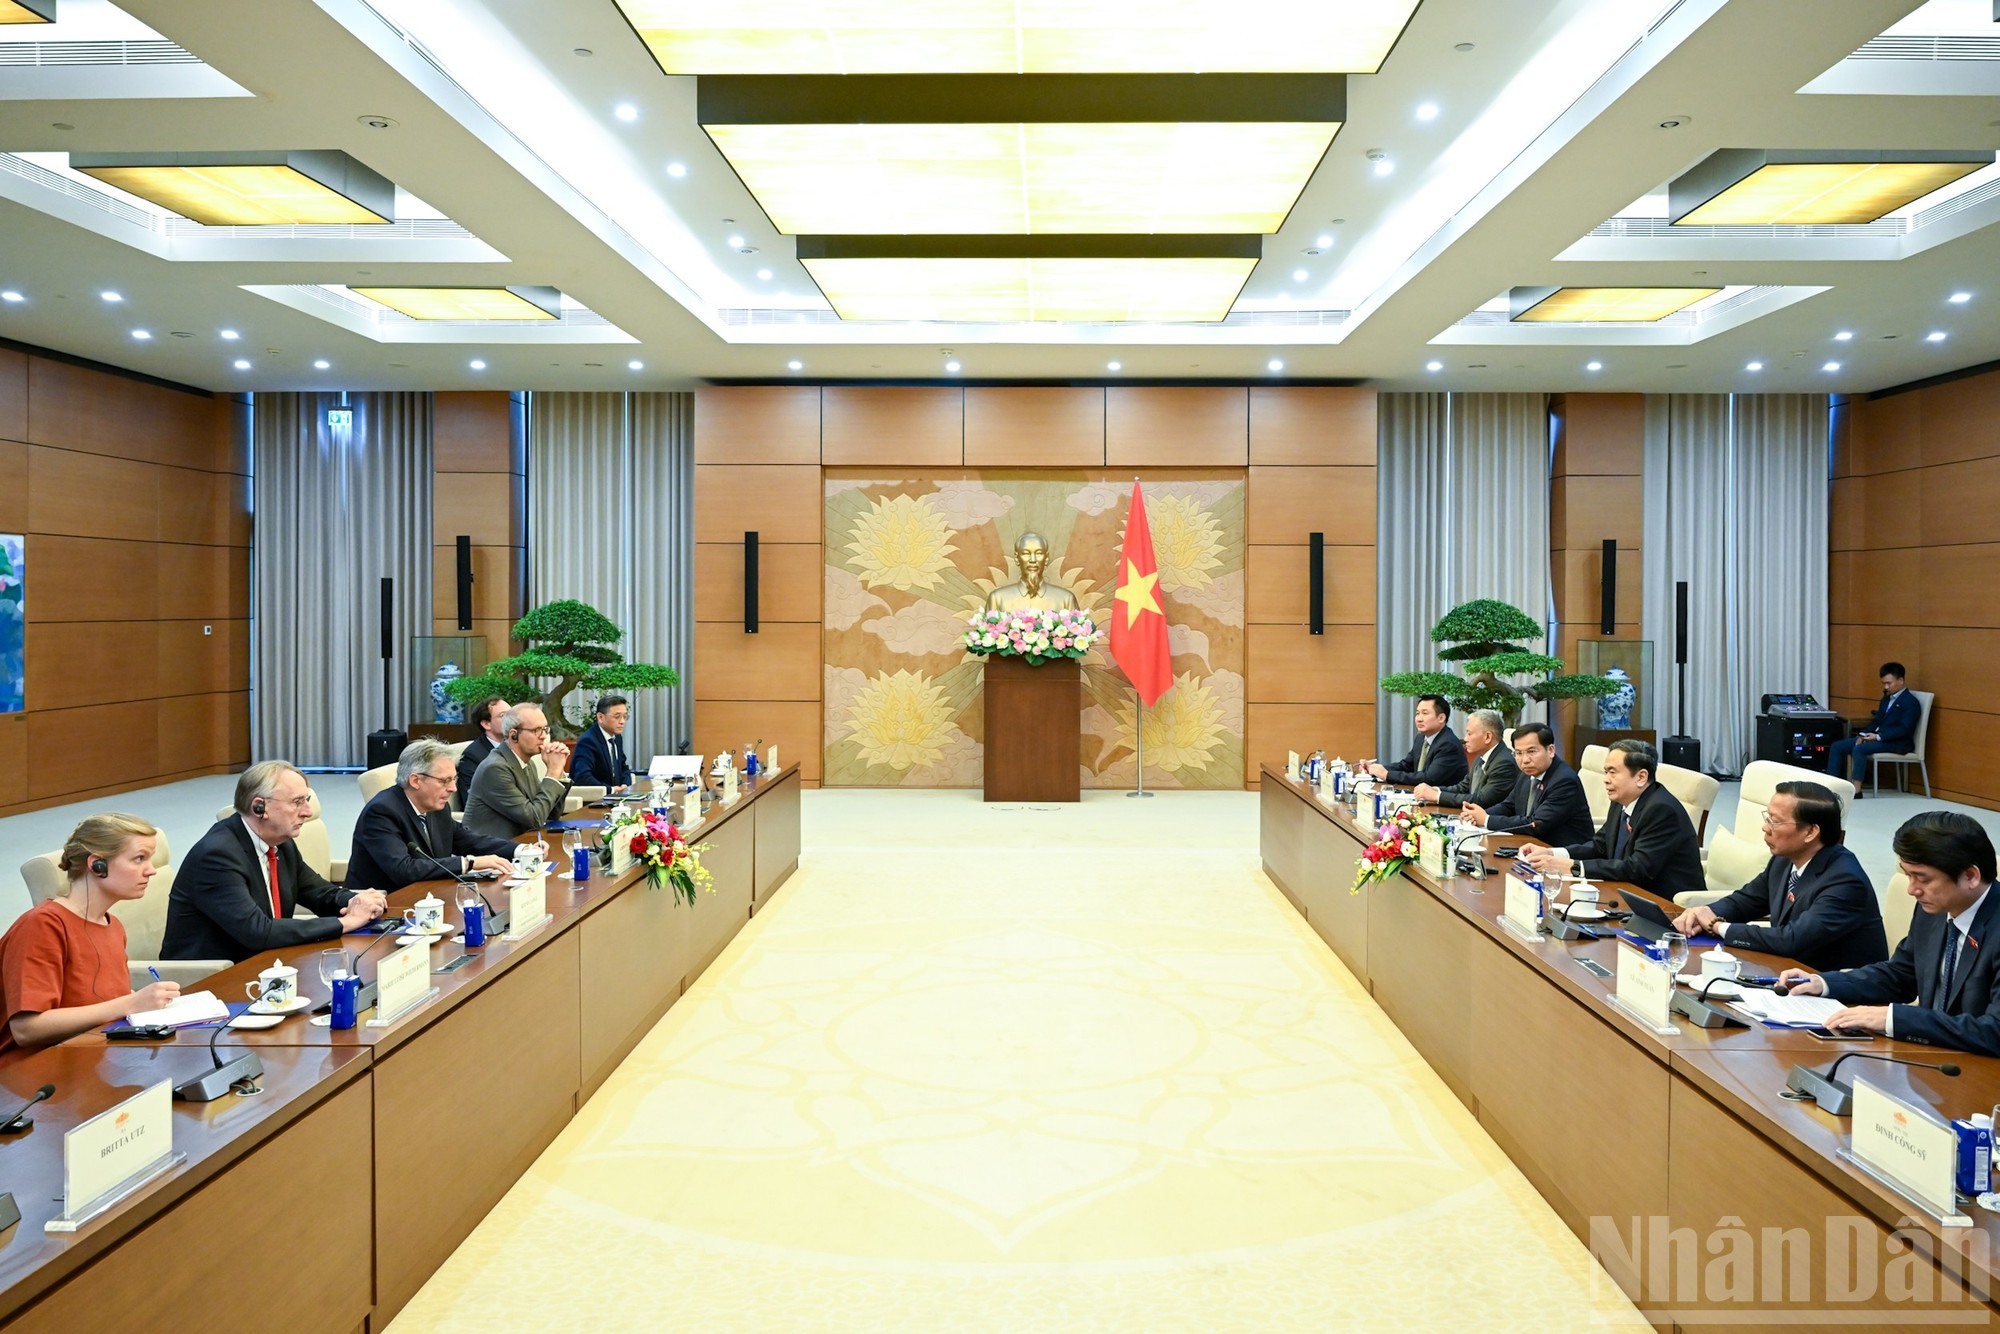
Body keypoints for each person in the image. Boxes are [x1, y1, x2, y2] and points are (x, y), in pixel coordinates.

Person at [1780, 812, 2000, 1054]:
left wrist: (1893, 1019)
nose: (1912, 890)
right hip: (1934, 1059)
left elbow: (1994, 1031)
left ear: (1970, 876)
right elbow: (1901, 975)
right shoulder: (1935, 909)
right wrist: (1824, 983)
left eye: (1922, 879)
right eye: (1908, 875)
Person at [0, 814, 185, 1066]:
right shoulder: (43, 925)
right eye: (139, 858)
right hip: (32, 1075)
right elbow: (26, 1029)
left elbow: (99, 1001)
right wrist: (130, 1003)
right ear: (97, 865)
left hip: (93, 1058)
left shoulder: (113, 926)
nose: (151, 870)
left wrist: (143, 1003)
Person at [163, 762, 387, 963]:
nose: (307, 812)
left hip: (267, 963)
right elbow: (258, 931)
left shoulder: (280, 843)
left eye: (306, 800)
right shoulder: (217, 856)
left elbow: (319, 892)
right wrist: (345, 923)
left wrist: (358, 901)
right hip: (212, 979)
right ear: (259, 807)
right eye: (297, 802)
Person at [1672, 782, 1887, 971]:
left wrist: (1716, 926)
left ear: (1810, 832)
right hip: (1790, 972)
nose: (1765, 828)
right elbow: (1747, 900)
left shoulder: (1845, 880)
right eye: (1768, 817)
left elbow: (1792, 940)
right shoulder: (1784, 859)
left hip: (1837, 992)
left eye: (1775, 821)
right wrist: (1706, 911)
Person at [1524, 739, 1703, 895]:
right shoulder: (1621, 800)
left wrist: (1573, 867)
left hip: (1666, 906)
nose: (1606, 779)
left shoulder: (1662, 810)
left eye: (1613, 772)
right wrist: (1553, 853)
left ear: (1641, 777)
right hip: (1625, 893)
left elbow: (1637, 869)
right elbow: (1600, 846)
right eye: (1605, 772)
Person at [346, 739, 520, 893]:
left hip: (428, 894)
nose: (453, 788)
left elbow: (468, 840)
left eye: (454, 779)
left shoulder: (436, 807)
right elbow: (403, 869)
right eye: (444, 781)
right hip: (385, 905)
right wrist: (469, 863)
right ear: (415, 781)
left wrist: (520, 850)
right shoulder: (382, 811)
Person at [1461, 723, 1595, 847]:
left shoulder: (1564, 781)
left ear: (1551, 750)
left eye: (1532, 752)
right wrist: (1477, 815)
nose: (1525, 760)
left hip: (1562, 855)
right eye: (1518, 753)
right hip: (1530, 847)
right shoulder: (1527, 772)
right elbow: (1509, 805)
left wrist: (1487, 820)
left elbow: (1535, 824)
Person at [463, 703, 574, 838]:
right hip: (493, 851)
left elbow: (550, 814)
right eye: (536, 730)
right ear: (514, 735)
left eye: (545, 729)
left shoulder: (527, 762)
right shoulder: (495, 768)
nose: (544, 736)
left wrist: (559, 773)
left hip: (524, 843)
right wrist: (552, 772)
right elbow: (535, 819)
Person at [1828, 662, 1919, 794]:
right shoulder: (1887, 698)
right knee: (1838, 746)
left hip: (1896, 742)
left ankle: (1856, 790)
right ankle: (1831, 786)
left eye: (1889, 683)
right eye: (1884, 684)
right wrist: (1863, 734)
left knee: (1860, 749)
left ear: (1901, 680)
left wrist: (1877, 737)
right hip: (1878, 738)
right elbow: (1877, 720)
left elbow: (1905, 729)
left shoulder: (1910, 702)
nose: (1886, 687)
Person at [1415, 709, 1517, 811]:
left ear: (1488, 737)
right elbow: (1463, 787)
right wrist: (1434, 790)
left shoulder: (1504, 763)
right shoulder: (1482, 755)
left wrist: (1436, 796)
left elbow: (1480, 800)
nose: (1465, 739)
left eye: (1469, 733)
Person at [1364, 695, 1468, 787]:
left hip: (1445, 804)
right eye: (1417, 713)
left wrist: (1387, 775)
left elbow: (1429, 779)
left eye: (1425, 713)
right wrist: (1376, 769)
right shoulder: (1421, 738)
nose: (1419, 719)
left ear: (1441, 718)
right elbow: (1406, 765)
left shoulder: (1448, 744)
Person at [570, 694, 634, 792]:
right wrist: (611, 790)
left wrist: (625, 784)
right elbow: (582, 777)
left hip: (617, 798)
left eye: (625, 717)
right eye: (617, 717)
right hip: (595, 801)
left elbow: (623, 767)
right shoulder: (588, 741)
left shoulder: (616, 737)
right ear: (600, 717)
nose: (622, 721)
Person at [456, 696, 509, 810]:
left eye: (512, 714)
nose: (512, 720)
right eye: (504, 715)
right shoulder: (472, 757)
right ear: (486, 724)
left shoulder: (516, 747)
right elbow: (471, 803)